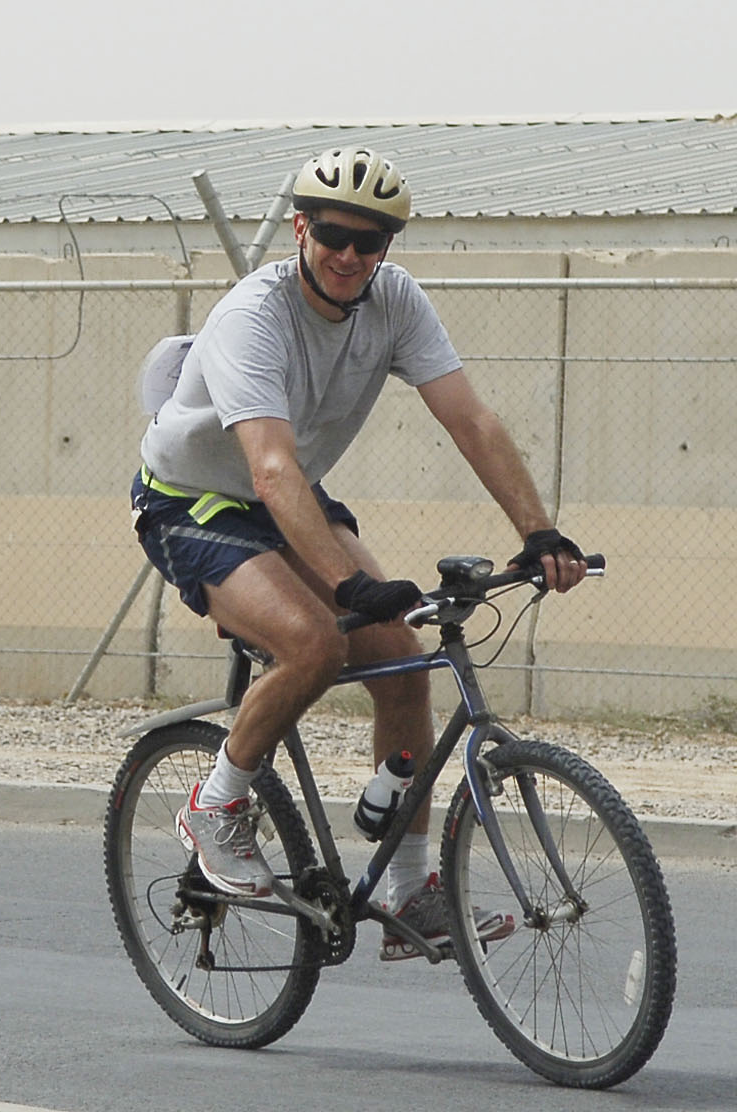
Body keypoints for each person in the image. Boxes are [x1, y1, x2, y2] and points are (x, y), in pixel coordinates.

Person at [130, 148, 587, 960]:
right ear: (302, 229)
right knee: (314, 640)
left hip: (291, 496)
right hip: (195, 500)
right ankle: (216, 802)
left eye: (369, 241)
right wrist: (348, 584)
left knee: (405, 663)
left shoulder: (396, 301)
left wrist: (538, 534)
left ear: (387, 248)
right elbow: (267, 467)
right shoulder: (253, 317)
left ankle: (411, 889)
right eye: (334, 234)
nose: (349, 255)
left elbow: (470, 421)